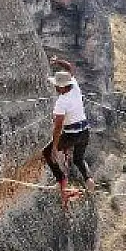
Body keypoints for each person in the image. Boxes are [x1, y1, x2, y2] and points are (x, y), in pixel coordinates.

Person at [43, 57, 95, 208]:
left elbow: (58, 127)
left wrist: (54, 147)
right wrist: (57, 61)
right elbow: (70, 66)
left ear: (62, 87)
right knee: (79, 159)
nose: (56, 88)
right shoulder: (75, 87)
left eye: (57, 86)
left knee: (46, 153)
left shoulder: (61, 102)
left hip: (71, 134)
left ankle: (61, 179)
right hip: (85, 131)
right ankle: (88, 178)